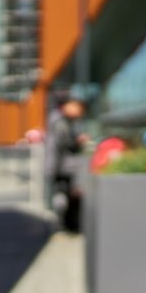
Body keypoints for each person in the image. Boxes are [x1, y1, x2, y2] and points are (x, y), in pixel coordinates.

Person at [45, 95, 89, 231]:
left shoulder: (61, 121)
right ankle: (64, 224)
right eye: (77, 107)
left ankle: (64, 224)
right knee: (63, 196)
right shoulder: (60, 122)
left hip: (60, 166)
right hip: (62, 167)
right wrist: (78, 141)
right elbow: (62, 144)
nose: (80, 112)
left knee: (63, 196)